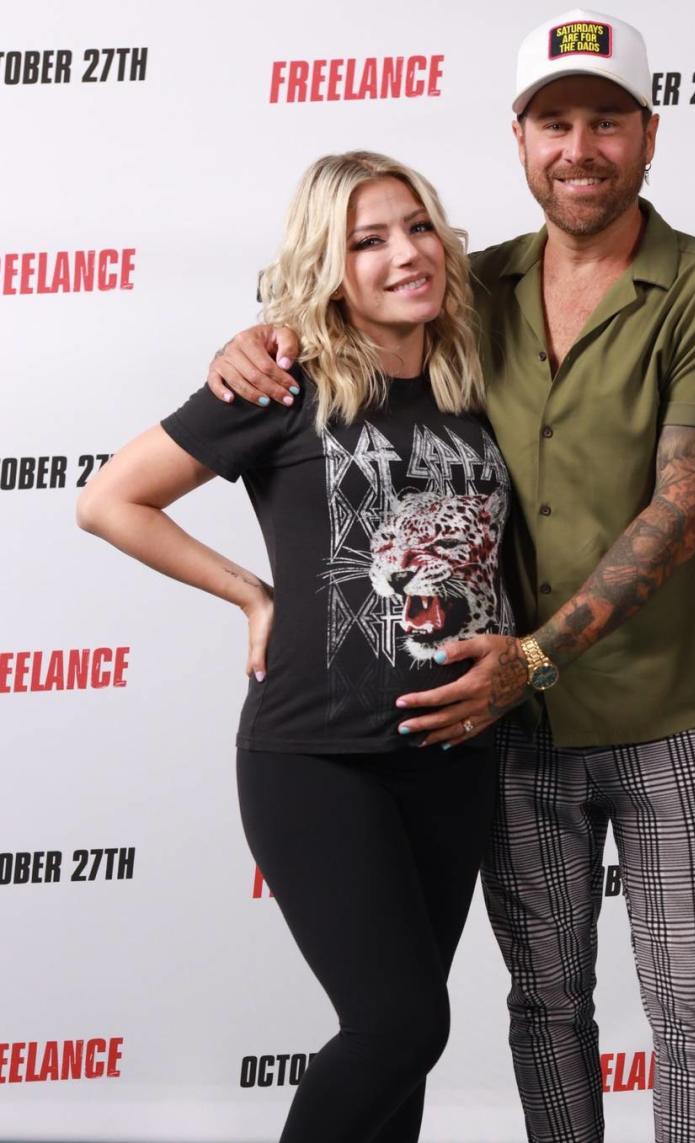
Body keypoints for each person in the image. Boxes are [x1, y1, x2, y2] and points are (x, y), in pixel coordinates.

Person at [205, 10, 695, 1142]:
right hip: (508, 729)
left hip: (671, 713)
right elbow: (347, 309)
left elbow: (682, 506)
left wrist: (540, 656)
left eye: (606, 121)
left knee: (690, 1015)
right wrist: (250, 346)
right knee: (545, 1005)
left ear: (649, 136)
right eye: (553, 121)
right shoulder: (476, 289)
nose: (580, 147)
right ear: (519, 140)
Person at [76, 151, 515, 1143]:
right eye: (368, 240)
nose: (405, 253)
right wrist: (248, 594)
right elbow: (110, 499)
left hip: (456, 756)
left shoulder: (480, 381)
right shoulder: (281, 379)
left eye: (417, 226)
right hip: (320, 754)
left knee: (404, 1061)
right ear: (330, 264)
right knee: (397, 1026)